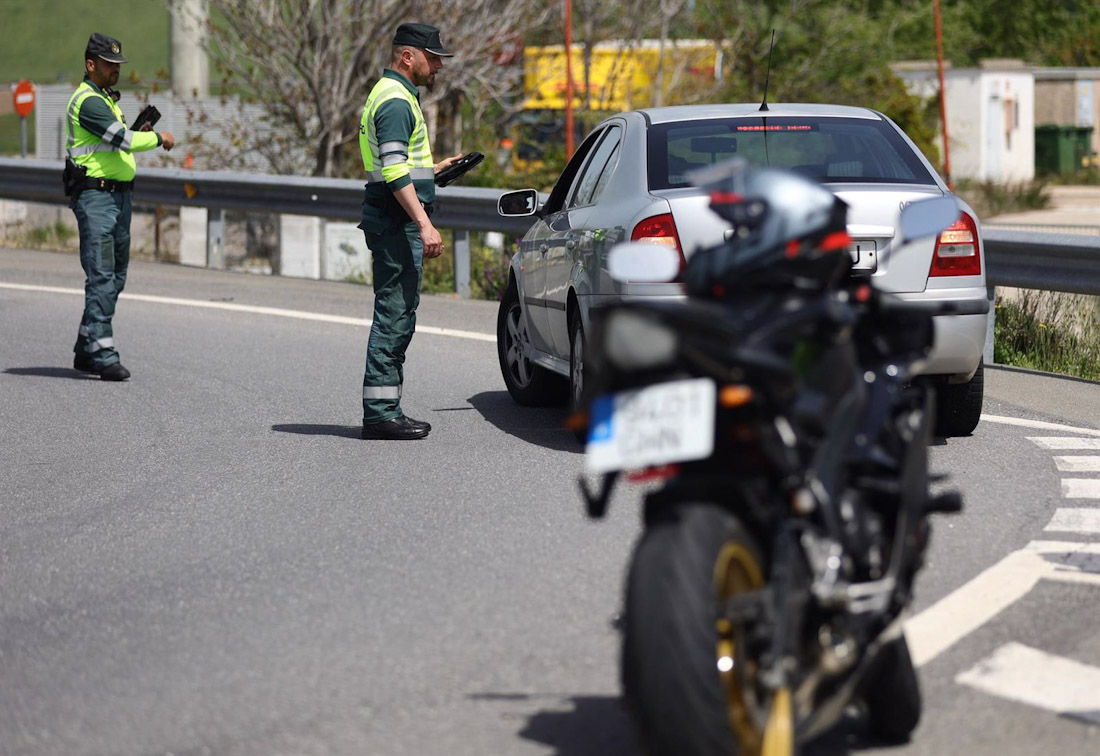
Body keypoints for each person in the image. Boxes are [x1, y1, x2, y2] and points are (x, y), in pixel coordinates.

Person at [357, 22, 461, 440]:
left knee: (397, 312)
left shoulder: (393, 96)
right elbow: (395, 170)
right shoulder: (397, 101)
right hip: (398, 223)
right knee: (394, 314)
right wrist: (425, 222)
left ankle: (385, 409)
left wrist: (432, 173)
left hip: (392, 217)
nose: (437, 66)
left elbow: (394, 166)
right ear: (407, 57)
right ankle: (382, 413)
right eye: (432, 58)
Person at [67, 33, 175, 381]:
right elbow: (124, 140)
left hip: (118, 196)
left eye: (117, 64)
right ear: (90, 65)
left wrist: (135, 130)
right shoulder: (88, 102)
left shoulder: (106, 99)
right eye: (109, 64)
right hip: (97, 198)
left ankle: (86, 347)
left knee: (116, 276)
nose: (116, 69)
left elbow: (115, 143)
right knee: (102, 275)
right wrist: (159, 137)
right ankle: (104, 353)